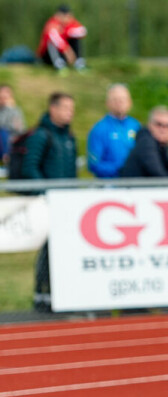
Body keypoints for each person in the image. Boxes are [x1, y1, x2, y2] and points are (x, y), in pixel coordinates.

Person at [22, 92, 76, 312]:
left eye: (72, 109)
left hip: (66, 202)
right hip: (48, 202)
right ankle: (42, 295)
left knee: (63, 249)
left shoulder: (69, 137)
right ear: (53, 108)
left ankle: (60, 294)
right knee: (47, 250)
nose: (69, 113)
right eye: (65, 108)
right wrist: (45, 192)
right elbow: (30, 166)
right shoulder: (41, 135)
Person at [87, 84, 139, 178]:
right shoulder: (99, 129)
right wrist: (120, 169)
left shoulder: (136, 126)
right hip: (110, 186)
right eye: (115, 100)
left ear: (130, 102)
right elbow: (94, 164)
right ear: (107, 103)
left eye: (123, 100)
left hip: (133, 184)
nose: (119, 103)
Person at [119, 106, 168, 178]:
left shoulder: (161, 145)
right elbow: (160, 177)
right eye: (159, 124)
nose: (163, 129)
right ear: (150, 124)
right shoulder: (146, 144)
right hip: (133, 188)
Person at [37, 5, 87, 72]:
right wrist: (67, 50)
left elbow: (83, 31)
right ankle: (59, 65)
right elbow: (54, 37)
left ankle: (79, 63)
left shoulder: (69, 23)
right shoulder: (52, 23)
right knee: (51, 43)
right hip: (47, 56)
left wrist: (67, 32)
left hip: (64, 55)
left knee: (75, 39)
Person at [0, 84, 26, 166]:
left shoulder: (16, 110)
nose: (5, 98)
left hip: (12, 139)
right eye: (2, 96)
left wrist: (10, 109)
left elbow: (21, 128)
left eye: (7, 96)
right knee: (3, 132)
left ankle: (6, 158)